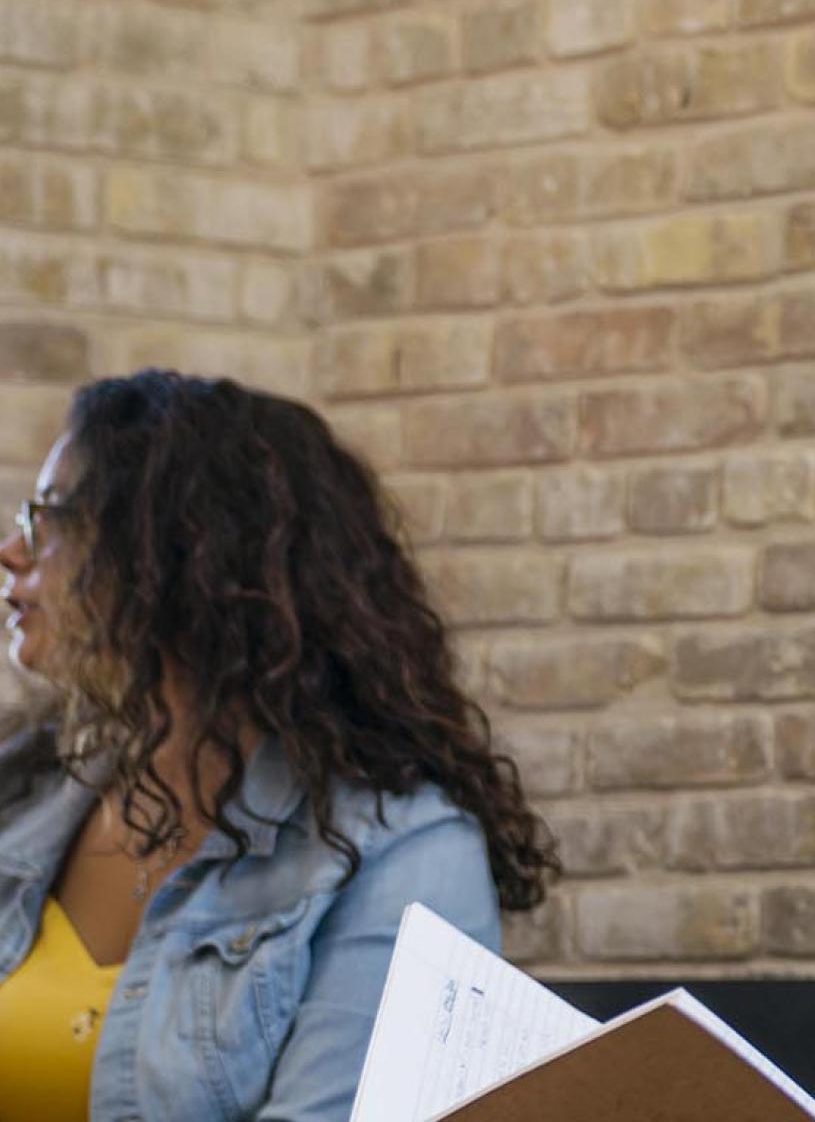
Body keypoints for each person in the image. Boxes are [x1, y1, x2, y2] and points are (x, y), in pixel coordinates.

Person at [0, 370, 558, 1122]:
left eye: (48, 519)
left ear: (174, 557)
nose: (11, 551)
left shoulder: (406, 853)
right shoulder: (28, 789)